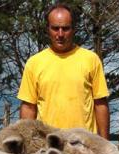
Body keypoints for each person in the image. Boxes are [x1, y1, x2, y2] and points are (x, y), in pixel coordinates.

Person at [17, 3, 110, 139]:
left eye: (65, 28)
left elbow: (100, 104)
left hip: (83, 146)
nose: (60, 34)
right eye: (55, 28)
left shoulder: (91, 59)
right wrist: (27, 143)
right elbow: (29, 108)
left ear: (73, 29)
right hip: (47, 146)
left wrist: (105, 145)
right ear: (47, 29)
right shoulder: (34, 63)